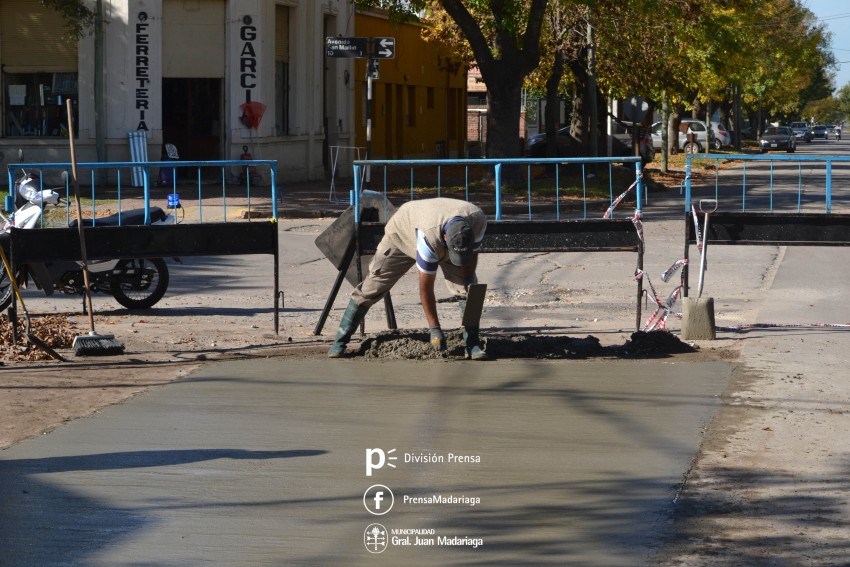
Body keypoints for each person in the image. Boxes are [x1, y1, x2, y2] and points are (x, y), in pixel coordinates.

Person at [328, 197, 489, 360]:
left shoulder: (477, 219)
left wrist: (468, 279)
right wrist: (435, 328)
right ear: (446, 238)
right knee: (372, 287)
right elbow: (426, 288)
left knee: (467, 289)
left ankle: (472, 343)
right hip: (402, 234)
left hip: (440, 234)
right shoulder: (430, 237)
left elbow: (472, 254)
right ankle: (340, 342)